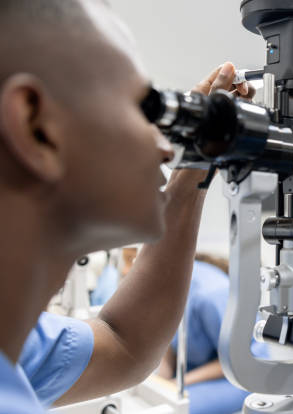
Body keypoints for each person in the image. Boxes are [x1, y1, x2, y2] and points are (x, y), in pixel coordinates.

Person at [0, 0, 252, 412]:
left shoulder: (16, 345)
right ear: (36, 125)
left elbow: (124, 343)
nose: (163, 146)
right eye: (142, 107)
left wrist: (194, 162)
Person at [158, 254, 263, 414]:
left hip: (240, 372)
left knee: (172, 408)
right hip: (198, 365)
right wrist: (160, 381)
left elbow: (237, 359)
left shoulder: (212, 294)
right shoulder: (169, 283)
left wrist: (176, 384)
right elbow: (169, 339)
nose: (124, 270)